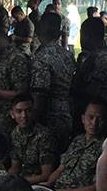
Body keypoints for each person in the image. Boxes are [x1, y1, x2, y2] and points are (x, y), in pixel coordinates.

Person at [30, 12, 76, 144]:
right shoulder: (67, 55)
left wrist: (31, 121)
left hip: (48, 118)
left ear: (40, 29)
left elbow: (40, 94)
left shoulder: (42, 57)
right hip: (66, 114)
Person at [8, 93, 58, 184]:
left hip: (39, 183)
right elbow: (15, 167)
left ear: (33, 112)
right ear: (12, 114)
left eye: (28, 111)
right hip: (22, 179)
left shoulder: (44, 135)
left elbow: (46, 175)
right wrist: (7, 179)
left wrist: (19, 181)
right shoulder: (15, 133)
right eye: (19, 111)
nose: (24, 115)